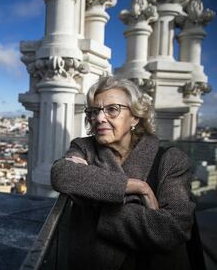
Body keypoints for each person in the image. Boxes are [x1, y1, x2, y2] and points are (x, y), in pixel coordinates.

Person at [50, 76, 195, 270]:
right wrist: (139, 187)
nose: (99, 118)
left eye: (112, 109)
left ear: (135, 117)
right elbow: (61, 174)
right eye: (94, 111)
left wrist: (97, 204)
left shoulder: (171, 160)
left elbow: (170, 231)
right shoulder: (84, 146)